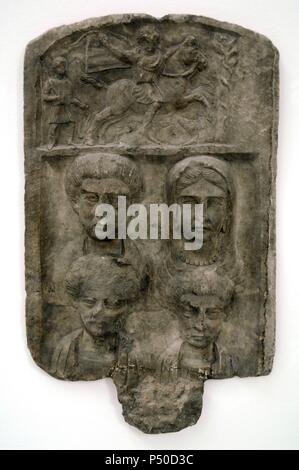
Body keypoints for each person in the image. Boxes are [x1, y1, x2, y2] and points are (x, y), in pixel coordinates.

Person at [51, 255, 143, 380]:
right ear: (76, 302)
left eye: (111, 303)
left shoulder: (133, 351)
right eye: (89, 302)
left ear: (125, 307)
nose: (99, 311)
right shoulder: (65, 348)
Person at [159, 269, 235, 379]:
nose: (200, 326)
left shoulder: (229, 361)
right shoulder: (163, 363)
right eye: (189, 312)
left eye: (212, 313)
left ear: (225, 315)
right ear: (175, 315)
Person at [64, 153, 142, 258]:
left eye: (114, 199)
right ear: (75, 203)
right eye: (92, 198)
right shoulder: (62, 260)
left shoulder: (145, 264)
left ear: (132, 205)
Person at [167, 156, 234, 266]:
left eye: (213, 203)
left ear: (227, 214)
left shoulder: (238, 275)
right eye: (189, 203)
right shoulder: (160, 273)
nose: (201, 216)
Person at [43, 56, 88, 149]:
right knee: (54, 125)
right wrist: (55, 97)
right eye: (60, 67)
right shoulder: (50, 82)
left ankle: (69, 141)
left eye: (64, 66)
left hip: (66, 107)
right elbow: (44, 96)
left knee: (71, 123)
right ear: (55, 68)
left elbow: (71, 98)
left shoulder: (67, 82)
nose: (63, 69)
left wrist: (80, 104)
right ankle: (51, 142)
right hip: (56, 107)